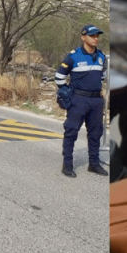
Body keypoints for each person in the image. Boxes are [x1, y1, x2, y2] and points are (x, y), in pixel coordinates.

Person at [55, 25, 107, 178]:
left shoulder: (101, 56)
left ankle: (94, 164)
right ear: (83, 37)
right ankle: (68, 165)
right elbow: (59, 77)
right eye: (92, 36)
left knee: (96, 133)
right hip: (78, 99)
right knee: (71, 132)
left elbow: (102, 77)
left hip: (96, 100)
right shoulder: (73, 56)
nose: (95, 38)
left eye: (97, 36)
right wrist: (66, 91)